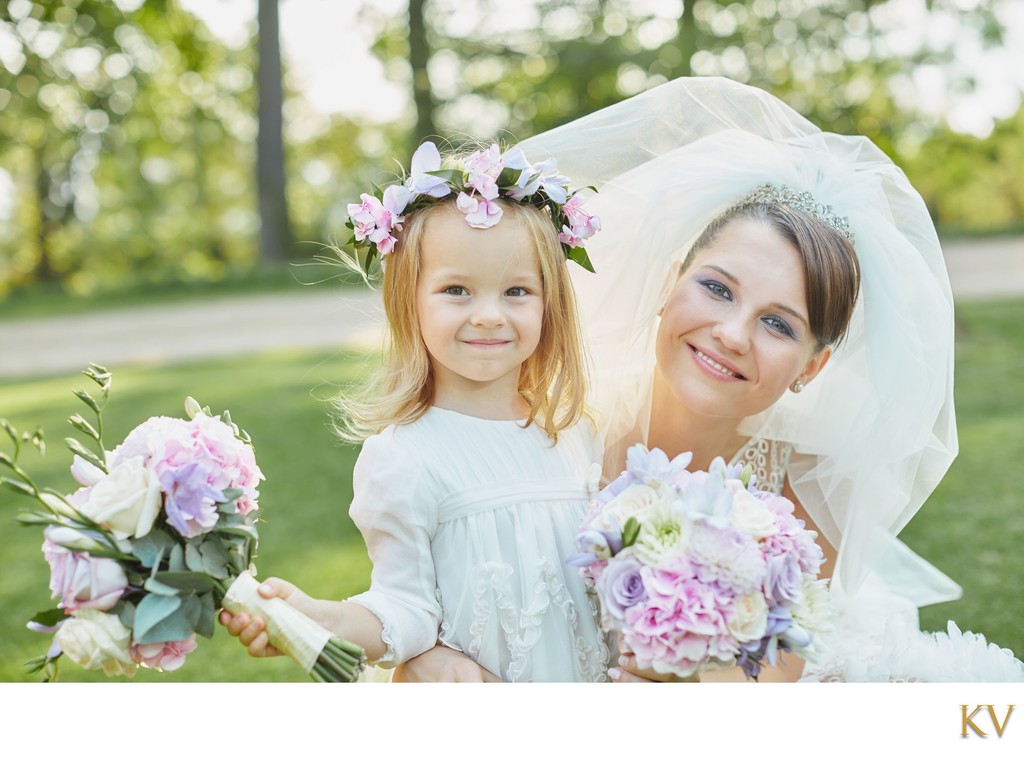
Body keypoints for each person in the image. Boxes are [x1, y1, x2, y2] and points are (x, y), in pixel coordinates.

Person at [396, 77, 1022, 682]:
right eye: (718, 288)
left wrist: (689, 687)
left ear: (812, 366)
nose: (732, 332)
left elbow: (771, 678)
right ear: (670, 282)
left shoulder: (804, 497)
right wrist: (423, 650)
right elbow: (438, 576)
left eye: (778, 324)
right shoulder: (545, 428)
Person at [220, 140, 613, 682]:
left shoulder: (577, 434)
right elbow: (405, 611)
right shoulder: (405, 458)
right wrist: (317, 618)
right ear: (409, 300)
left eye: (517, 291)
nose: (489, 315)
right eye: (456, 290)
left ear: (551, 304)